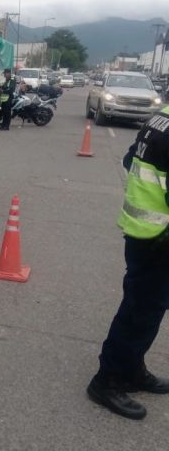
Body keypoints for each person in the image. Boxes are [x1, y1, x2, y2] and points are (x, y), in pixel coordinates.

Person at [87, 108, 169, 420]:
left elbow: (128, 159)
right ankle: (106, 380)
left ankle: (133, 369)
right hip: (160, 238)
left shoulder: (160, 118)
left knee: (147, 309)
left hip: (144, 232)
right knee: (139, 312)